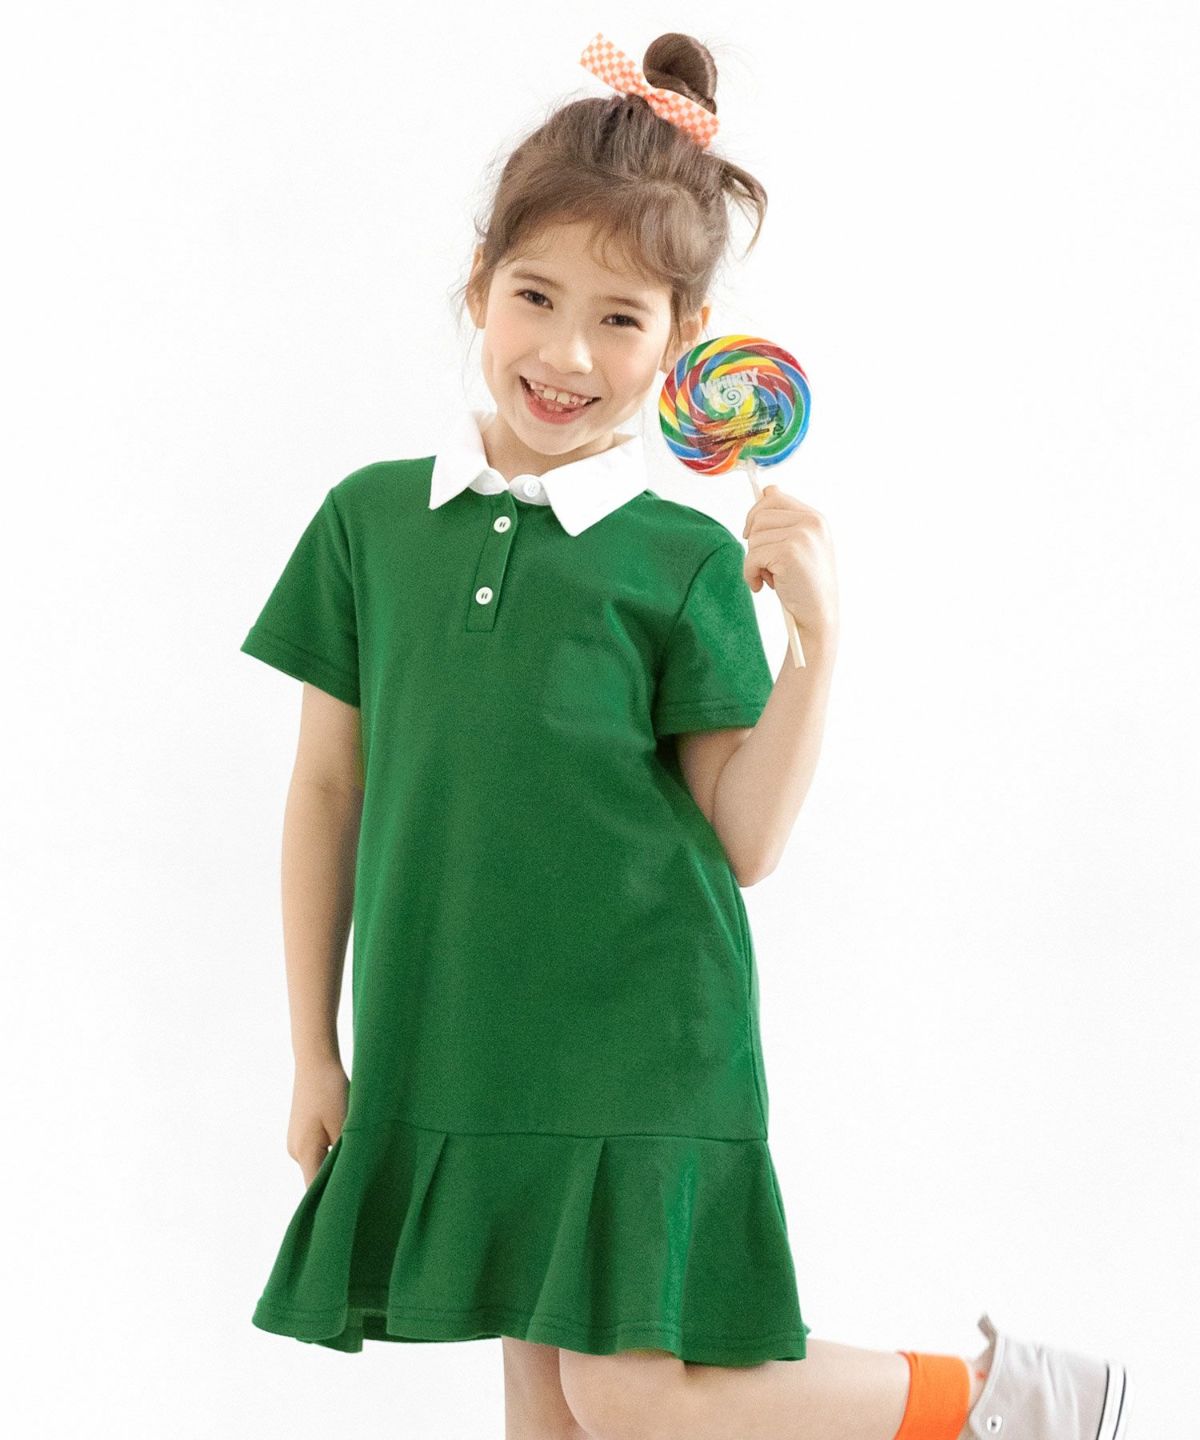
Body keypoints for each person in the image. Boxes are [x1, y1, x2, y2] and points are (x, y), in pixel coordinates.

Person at [239, 28, 1132, 1440]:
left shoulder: (681, 555)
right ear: (478, 287)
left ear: (682, 344)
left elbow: (747, 841)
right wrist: (314, 1049)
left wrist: (814, 643)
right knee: (546, 1394)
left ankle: (994, 1400)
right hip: (454, 1029)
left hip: (640, 1028)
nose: (566, 354)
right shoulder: (369, 521)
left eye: (621, 318)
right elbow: (326, 791)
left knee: (624, 1387)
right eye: (536, 296)